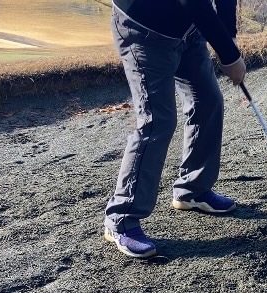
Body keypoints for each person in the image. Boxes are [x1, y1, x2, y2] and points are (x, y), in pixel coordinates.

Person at [103, 0, 247, 258]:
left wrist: (229, 37)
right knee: (158, 120)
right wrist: (229, 56)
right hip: (143, 27)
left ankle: (192, 190)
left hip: (188, 30)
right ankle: (121, 218)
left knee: (209, 101)